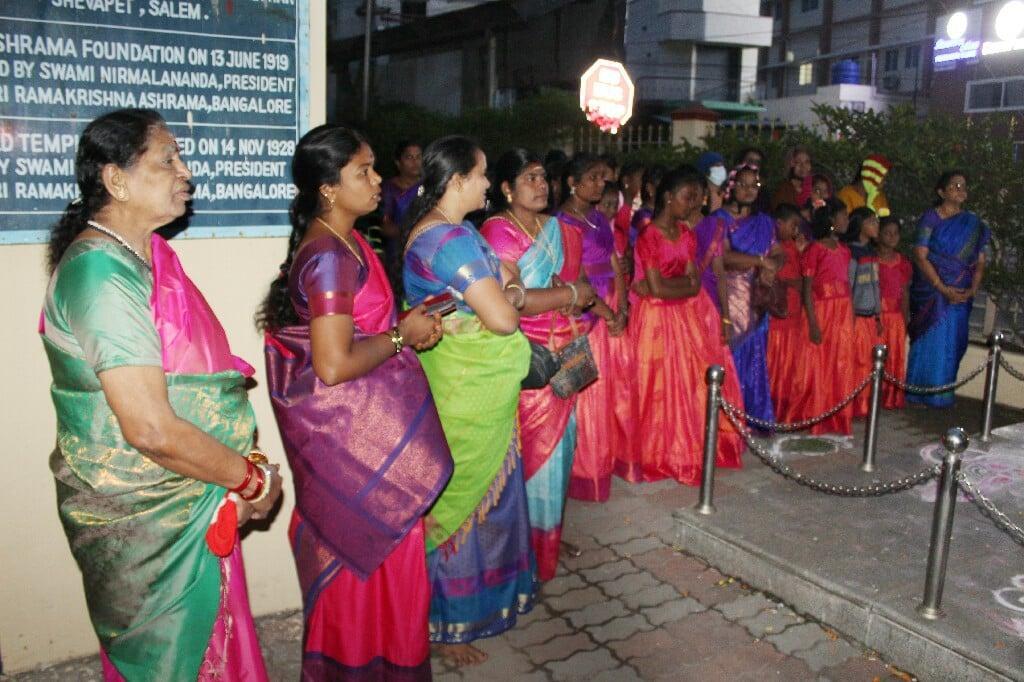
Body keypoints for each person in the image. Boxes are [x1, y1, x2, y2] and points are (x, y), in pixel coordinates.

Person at [40, 108, 280, 681]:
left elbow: (199, 386)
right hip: (151, 520)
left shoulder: (142, 260)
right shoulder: (101, 274)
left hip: (191, 496)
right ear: (116, 180)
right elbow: (149, 428)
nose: (185, 172)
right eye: (168, 159)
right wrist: (250, 480)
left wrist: (236, 462)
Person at [258, 125, 454, 680]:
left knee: (390, 571)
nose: (377, 180)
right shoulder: (329, 256)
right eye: (362, 171)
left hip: (367, 438)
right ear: (327, 187)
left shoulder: (347, 240)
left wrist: (404, 327)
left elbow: (356, 332)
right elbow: (333, 364)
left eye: (373, 168)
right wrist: (400, 336)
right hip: (355, 452)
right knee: (364, 570)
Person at [403, 136, 536, 666]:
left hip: (470, 381)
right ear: (457, 180)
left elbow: (509, 279)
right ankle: (439, 624)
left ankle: (463, 612)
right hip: (463, 388)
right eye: (481, 175)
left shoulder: (457, 232)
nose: (487, 185)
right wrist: (507, 299)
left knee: (477, 498)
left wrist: (506, 294)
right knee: (456, 500)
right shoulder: (447, 241)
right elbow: (503, 316)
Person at [622, 167, 745, 485]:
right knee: (659, 386)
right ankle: (659, 452)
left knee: (690, 383)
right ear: (668, 197)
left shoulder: (687, 235)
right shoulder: (649, 236)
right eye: (687, 197)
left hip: (687, 316)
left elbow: (691, 283)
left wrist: (671, 287)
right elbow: (659, 287)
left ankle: (687, 448)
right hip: (656, 321)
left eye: (695, 198)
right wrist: (677, 287)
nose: (692, 204)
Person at [560, 160, 631, 504]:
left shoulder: (598, 217)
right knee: (588, 391)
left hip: (610, 303)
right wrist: (607, 312)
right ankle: (584, 471)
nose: (600, 184)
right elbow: (574, 278)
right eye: (593, 178)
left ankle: (608, 458)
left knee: (613, 387)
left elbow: (615, 261)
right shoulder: (563, 223)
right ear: (572, 182)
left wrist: (624, 306)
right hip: (587, 312)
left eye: (602, 179)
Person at [701, 164, 781, 425]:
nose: (748, 190)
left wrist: (772, 267)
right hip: (729, 293)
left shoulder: (764, 222)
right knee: (731, 354)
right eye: (743, 184)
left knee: (756, 355)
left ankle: (752, 416)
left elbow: (778, 252)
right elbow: (723, 258)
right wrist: (760, 261)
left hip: (758, 295)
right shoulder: (719, 220)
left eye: (754, 185)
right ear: (731, 187)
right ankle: (726, 420)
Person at [906, 171, 989, 408]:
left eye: (963, 186)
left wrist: (972, 290)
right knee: (931, 339)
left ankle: (942, 395)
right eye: (955, 185)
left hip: (961, 293)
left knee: (954, 341)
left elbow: (980, 261)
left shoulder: (973, 224)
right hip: (932, 292)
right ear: (941, 192)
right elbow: (920, 255)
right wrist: (941, 288)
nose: (961, 189)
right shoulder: (930, 218)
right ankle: (920, 393)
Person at [799, 200, 856, 435]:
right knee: (820, 362)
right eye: (844, 215)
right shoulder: (815, 249)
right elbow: (807, 289)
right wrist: (812, 322)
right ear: (832, 219)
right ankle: (816, 413)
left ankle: (837, 414)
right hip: (822, 311)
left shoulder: (845, 250)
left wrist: (851, 314)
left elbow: (847, 284)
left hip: (842, 312)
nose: (847, 220)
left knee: (840, 362)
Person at [766, 203, 811, 424]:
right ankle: (772, 409)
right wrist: (797, 283)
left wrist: (802, 253)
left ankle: (788, 410)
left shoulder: (794, 247)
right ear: (779, 223)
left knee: (791, 367)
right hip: (778, 318)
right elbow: (778, 277)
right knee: (776, 365)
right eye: (793, 225)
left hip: (794, 316)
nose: (796, 231)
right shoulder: (772, 247)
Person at [844, 207, 883, 418]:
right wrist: (849, 318)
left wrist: (878, 314)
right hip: (856, 316)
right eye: (872, 222)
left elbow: (876, 284)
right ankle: (851, 404)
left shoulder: (871, 253)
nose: (877, 226)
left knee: (868, 362)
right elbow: (849, 286)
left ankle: (864, 404)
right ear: (860, 225)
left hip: (869, 317)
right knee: (856, 361)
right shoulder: (852, 252)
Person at [876, 216, 913, 409]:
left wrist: (905, 320)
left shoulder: (903, 263)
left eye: (896, 233)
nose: (892, 237)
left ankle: (890, 397)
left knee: (894, 357)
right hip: (876, 316)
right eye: (887, 233)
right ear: (878, 235)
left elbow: (905, 293)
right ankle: (868, 397)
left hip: (896, 316)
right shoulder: (871, 259)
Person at [771, 145, 813, 211]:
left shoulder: (814, 187)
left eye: (807, 162)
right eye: (798, 162)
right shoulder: (783, 190)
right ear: (790, 164)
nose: (803, 166)